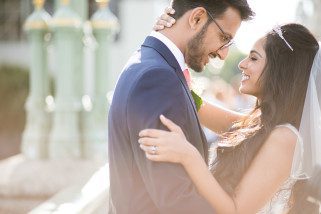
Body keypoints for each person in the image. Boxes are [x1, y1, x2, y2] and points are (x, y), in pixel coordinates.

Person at [139, 20, 321, 213]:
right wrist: (168, 34)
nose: (242, 64)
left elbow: (236, 210)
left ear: (280, 70)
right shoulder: (259, 126)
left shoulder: (286, 137)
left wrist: (188, 155)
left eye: (253, 58)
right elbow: (197, 106)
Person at [108, 0, 254, 213]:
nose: (223, 54)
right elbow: (177, 201)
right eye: (224, 38)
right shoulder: (157, 78)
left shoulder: (152, 64)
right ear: (197, 18)